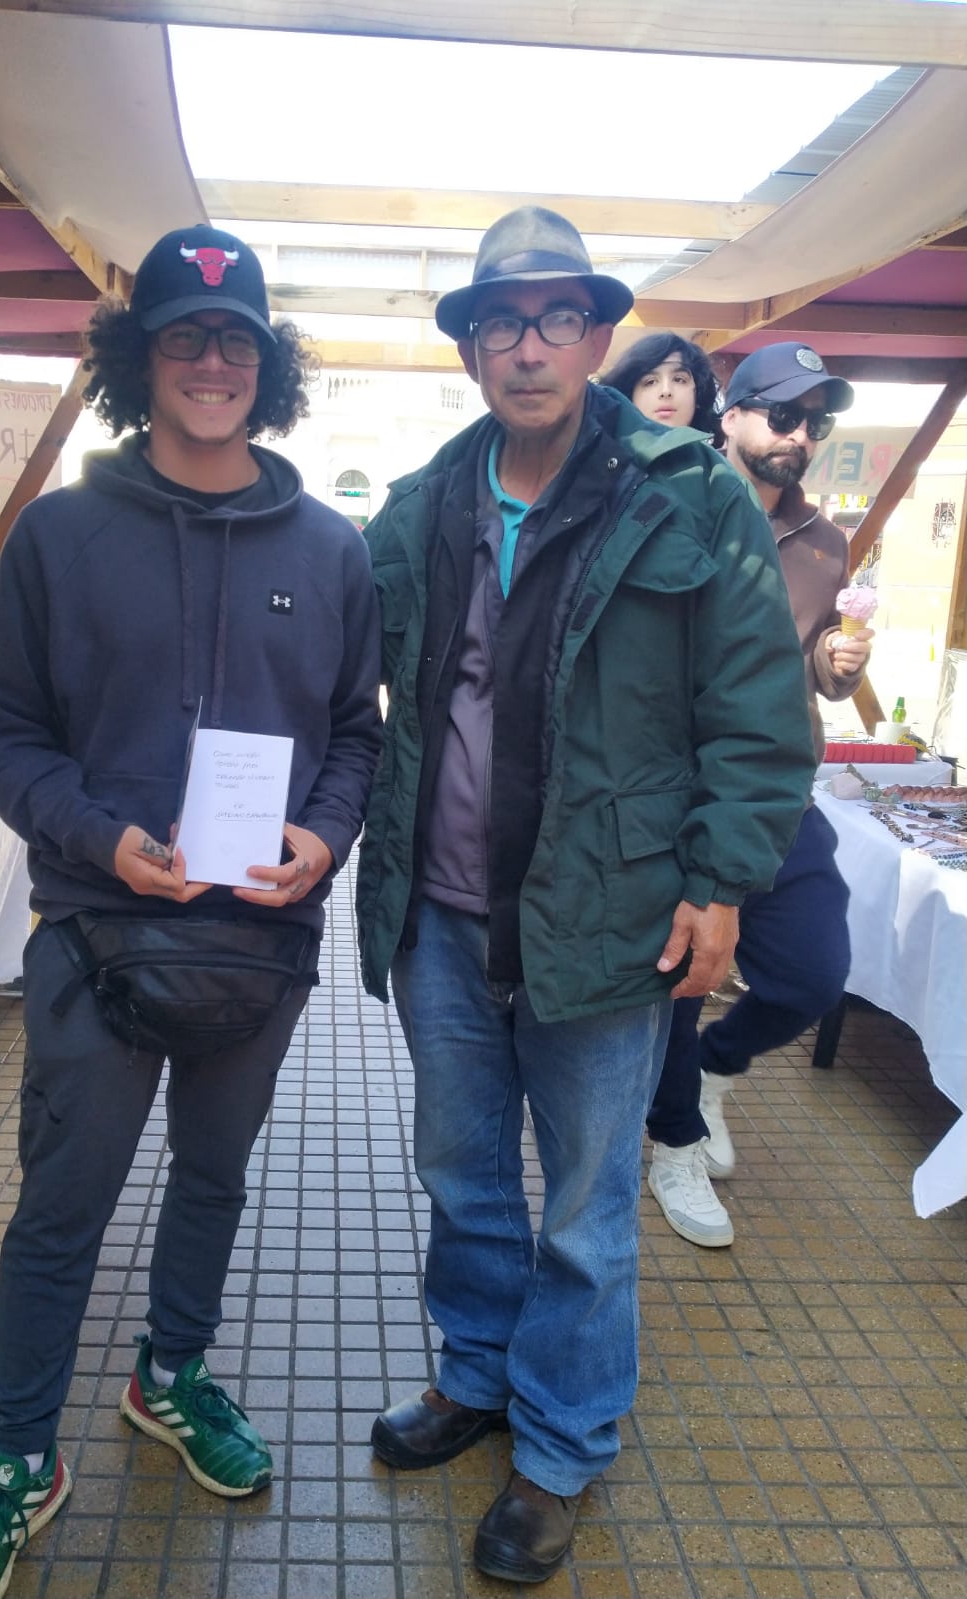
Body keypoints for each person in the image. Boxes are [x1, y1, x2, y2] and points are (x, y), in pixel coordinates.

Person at [0, 225, 381, 1599]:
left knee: (215, 1176)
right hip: (93, 933)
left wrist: (323, 836)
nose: (212, 361)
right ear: (140, 357)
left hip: (260, 938)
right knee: (62, 1205)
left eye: (237, 340)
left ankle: (171, 1374)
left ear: (269, 367)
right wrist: (99, 837)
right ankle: (18, 1457)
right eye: (185, 335)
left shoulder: (331, 548)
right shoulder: (60, 536)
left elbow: (357, 733)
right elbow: (1, 731)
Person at [356, 207, 815, 1585]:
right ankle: (477, 1374)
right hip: (443, 913)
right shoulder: (424, 500)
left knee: (586, 1205)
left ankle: (560, 1444)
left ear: (598, 336)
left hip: (610, 916)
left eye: (558, 318)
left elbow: (757, 704)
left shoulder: (688, 491)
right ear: (471, 348)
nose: (529, 346)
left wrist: (723, 883)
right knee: (460, 1172)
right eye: (502, 321)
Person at [645, 342, 869, 1244]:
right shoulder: (674, 503)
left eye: (816, 421)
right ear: (730, 413)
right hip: (680, 787)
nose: (799, 435)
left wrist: (839, 665)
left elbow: (813, 673)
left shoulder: (825, 543)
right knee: (683, 973)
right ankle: (674, 1142)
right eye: (782, 414)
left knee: (815, 971)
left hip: (780, 789)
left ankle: (715, 1066)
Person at [600, 333, 737, 1247]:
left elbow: (759, 680)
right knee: (659, 980)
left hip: (730, 788)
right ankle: (672, 1132)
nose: (664, 393)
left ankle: (682, 1122)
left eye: (680, 379)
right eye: (647, 378)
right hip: (630, 797)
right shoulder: (607, 482)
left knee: (789, 963)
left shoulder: (729, 500)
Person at [600, 331, 721, 437]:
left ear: (698, 394)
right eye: (650, 382)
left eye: (679, 380)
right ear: (629, 396)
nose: (666, 391)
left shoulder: (710, 457)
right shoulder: (603, 454)